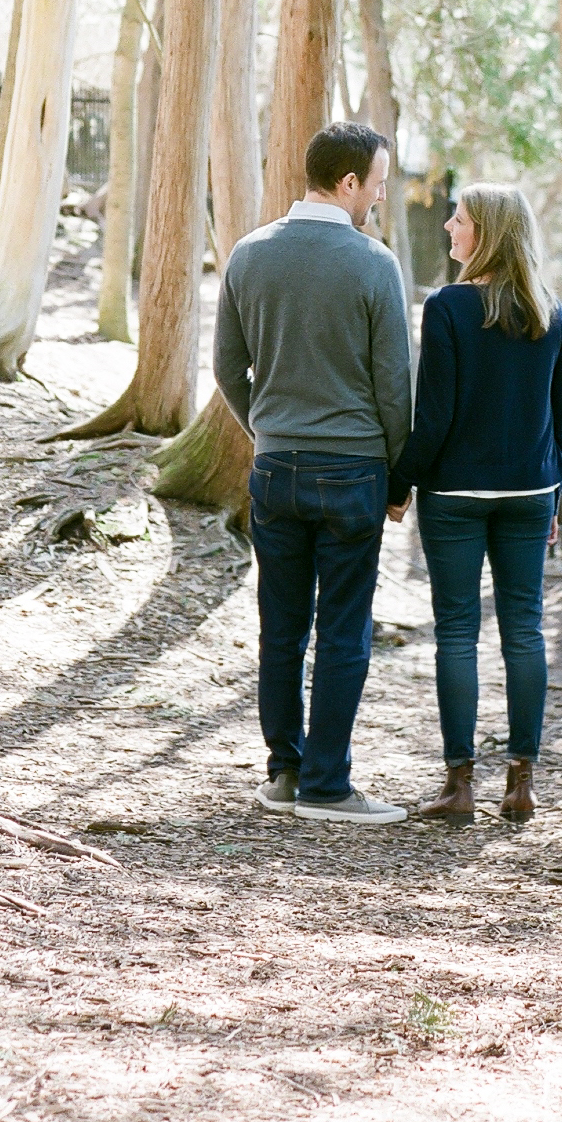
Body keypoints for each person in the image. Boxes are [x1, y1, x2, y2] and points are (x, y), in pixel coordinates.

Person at [213, 119, 413, 823]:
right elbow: (394, 386)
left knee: (281, 626)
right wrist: (398, 478)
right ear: (349, 181)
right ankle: (329, 786)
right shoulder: (373, 264)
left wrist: (268, 431)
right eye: (378, 186)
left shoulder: (248, 253)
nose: (379, 200)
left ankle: (285, 774)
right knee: (343, 629)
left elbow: (224, 369)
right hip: (353, 472)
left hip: (276, 471)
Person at [389, 183, 562, 826]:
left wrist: (400, 482)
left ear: (487, 232)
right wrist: (556, 493)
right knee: (524, 630)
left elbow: (433, 416)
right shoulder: (550, 312)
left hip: (457, 496)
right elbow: (560, 415)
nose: (447, 227)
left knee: (459, 633)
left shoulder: (448, 308)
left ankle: (460, 785)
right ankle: (521, 783)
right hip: (529, 491)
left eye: (459, 220)